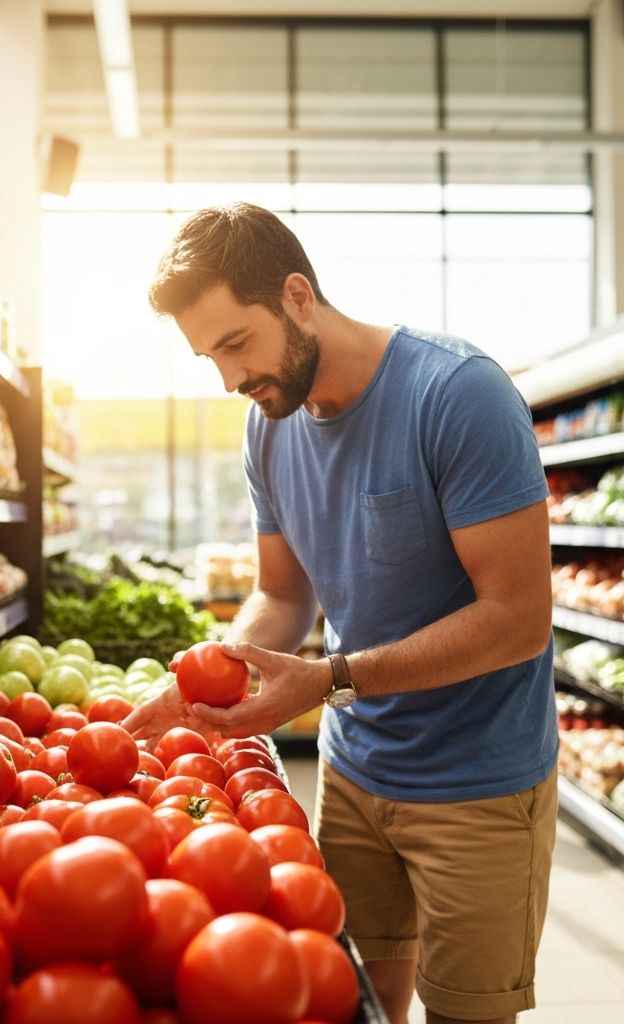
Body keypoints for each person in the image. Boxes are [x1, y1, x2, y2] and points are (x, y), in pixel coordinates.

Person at [122, 202, 559, 1024]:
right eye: (208, 357)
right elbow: (284, 596)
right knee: (357, 1001)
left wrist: (330, 679)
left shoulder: (457, 395)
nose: (227, 380)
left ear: (296, 295)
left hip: (480, 783)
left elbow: (517, 618)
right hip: (354, 774)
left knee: (468, 1013)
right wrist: (213, 674)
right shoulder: (270, 427)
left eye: (235, 344)